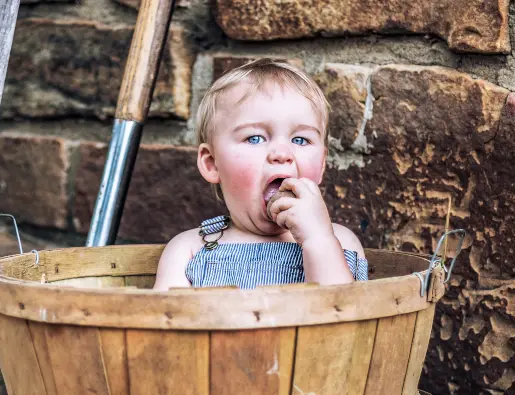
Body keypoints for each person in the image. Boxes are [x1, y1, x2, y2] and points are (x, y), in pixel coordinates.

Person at [153, 58, 369, 290]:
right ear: (212, 163)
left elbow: (344, 313)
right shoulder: (190, 249)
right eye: (255, 138)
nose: (282, 154)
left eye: (300, 140)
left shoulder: (338, 242)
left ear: (322, 164)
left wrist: (317, 241)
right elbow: (166, 321)